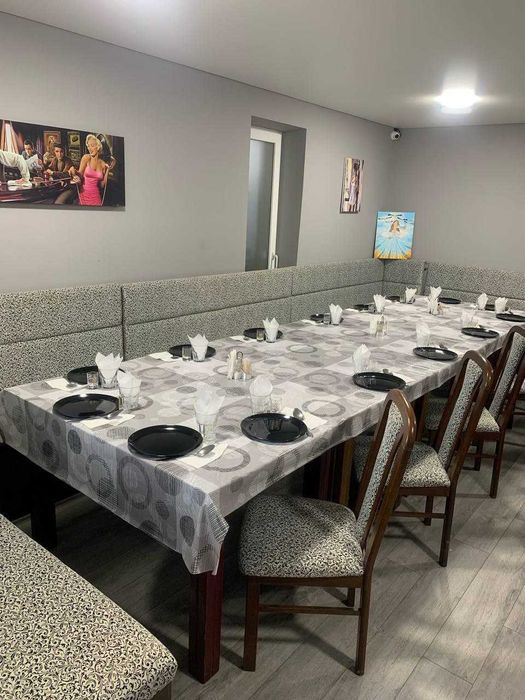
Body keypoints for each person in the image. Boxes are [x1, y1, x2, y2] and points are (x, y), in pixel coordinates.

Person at [70, 133, 113, 206]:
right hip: (83, 194)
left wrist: (107, 170)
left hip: (96, 196)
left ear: (98, 147)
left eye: (92, 146)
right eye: (88, 146)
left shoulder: (103, 164)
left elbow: (102, 185)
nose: (89, 148)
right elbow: (80, 175)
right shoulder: (86, 158)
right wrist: (74, 171)